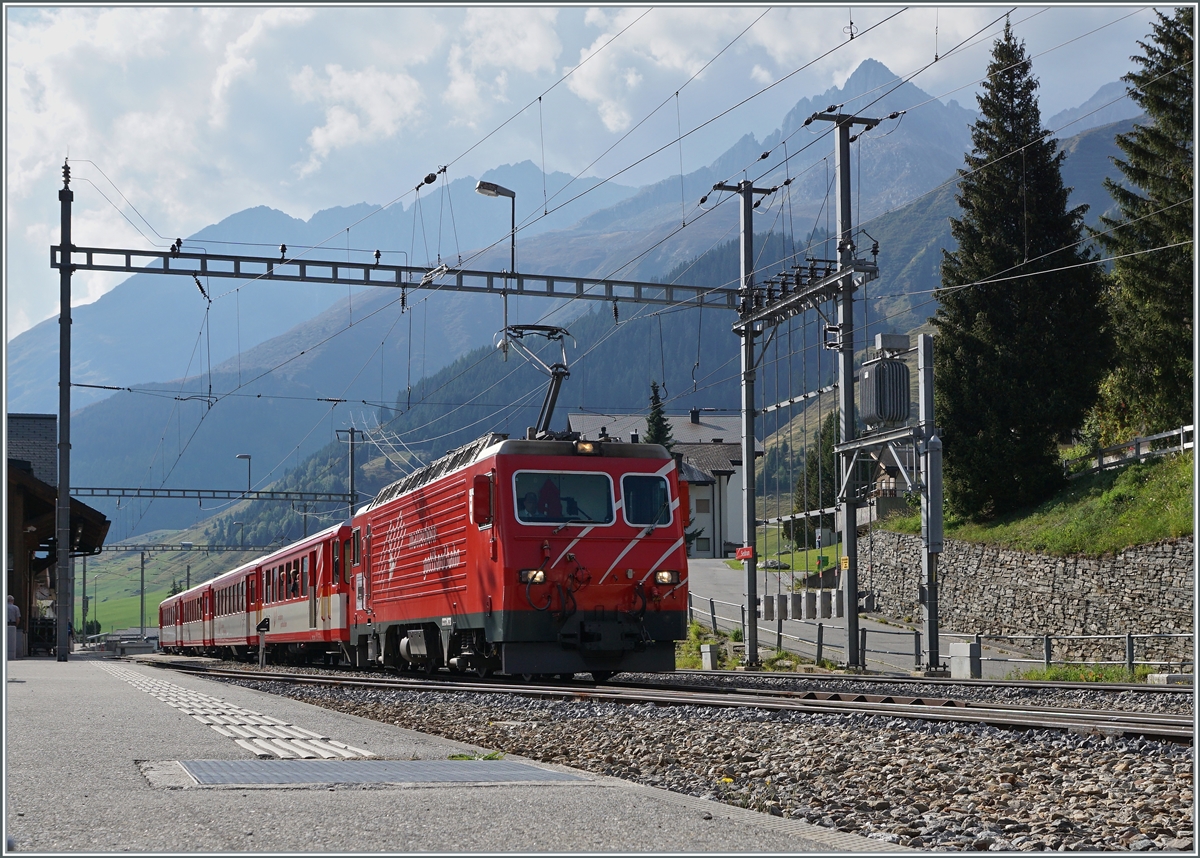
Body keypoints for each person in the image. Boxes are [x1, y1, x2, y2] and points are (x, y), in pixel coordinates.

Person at [7, 595, 20, 661]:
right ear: (12, 601)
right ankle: (12, 654)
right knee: (12, 640)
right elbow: (17, 618)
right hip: (12, 623)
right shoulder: (15, 608)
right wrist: (16, 625)